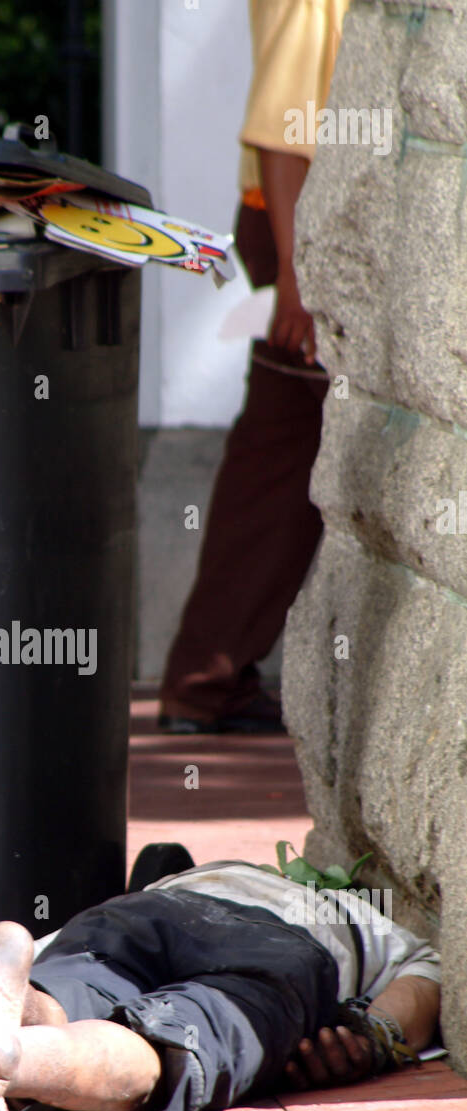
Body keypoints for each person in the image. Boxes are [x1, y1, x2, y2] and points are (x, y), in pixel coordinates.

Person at [0, 854, 442, 1111]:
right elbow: (427, 975)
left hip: (134, 915)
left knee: (65, 990)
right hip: (275, 942)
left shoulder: (179, 880)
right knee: (163, 1051)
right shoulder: (346, 911)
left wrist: (27, 989)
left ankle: (17, 1025)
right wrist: (374, 1035)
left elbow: (51, 952)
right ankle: (14, 1061)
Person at [158, 0, 351, 734]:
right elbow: (281, 134)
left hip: (301, 226)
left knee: (275, 460)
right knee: (283, 458)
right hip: (306, 227)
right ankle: (203, 682)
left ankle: (203, 683)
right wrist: (300, 281)